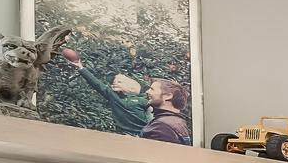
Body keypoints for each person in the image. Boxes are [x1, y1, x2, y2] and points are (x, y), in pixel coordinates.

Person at [55, 46, 192, 144]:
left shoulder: (149, 109)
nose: (115, 83)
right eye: (114, 81)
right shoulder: (114, 96)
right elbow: (96, 84)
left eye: (119, 81)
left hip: (140, 137)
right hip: (127, 138)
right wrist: (80, 67)